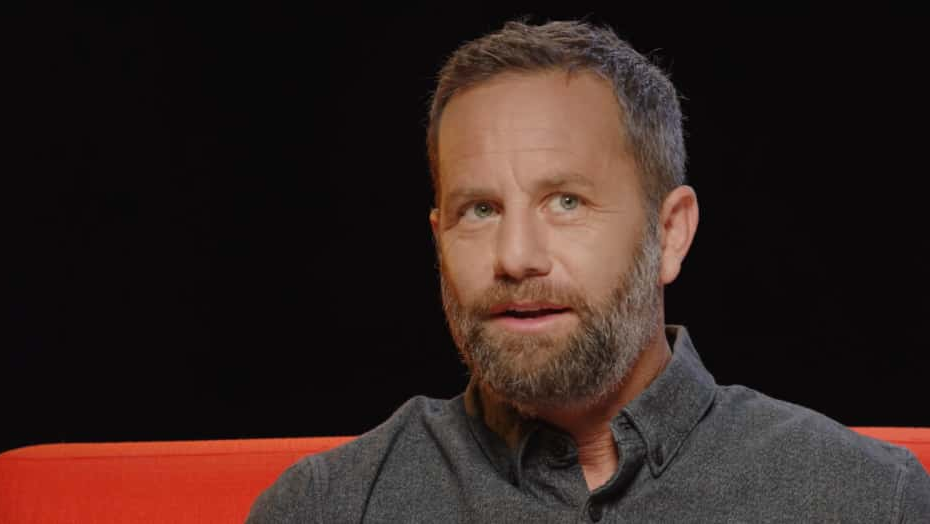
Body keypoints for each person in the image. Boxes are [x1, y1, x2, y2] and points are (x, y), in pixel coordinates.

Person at [247, 19, 930, 522]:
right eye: (480, 210)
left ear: (670, 234)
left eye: (565, 202)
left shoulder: (868, 501)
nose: (516, 256)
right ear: (438, 238)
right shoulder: (326, 507)